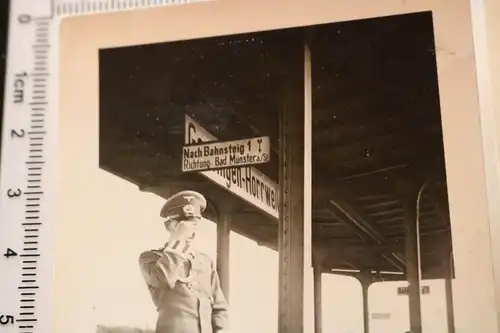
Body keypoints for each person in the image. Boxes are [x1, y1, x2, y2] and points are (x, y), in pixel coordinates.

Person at [139, 190, 230, 333]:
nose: (191, 231)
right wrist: (178, 239)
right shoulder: (150, 258)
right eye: (184, 224)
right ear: (170, 226)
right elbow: (165, 280)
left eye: (194, 224)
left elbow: (219, 309)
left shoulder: (205, 262)